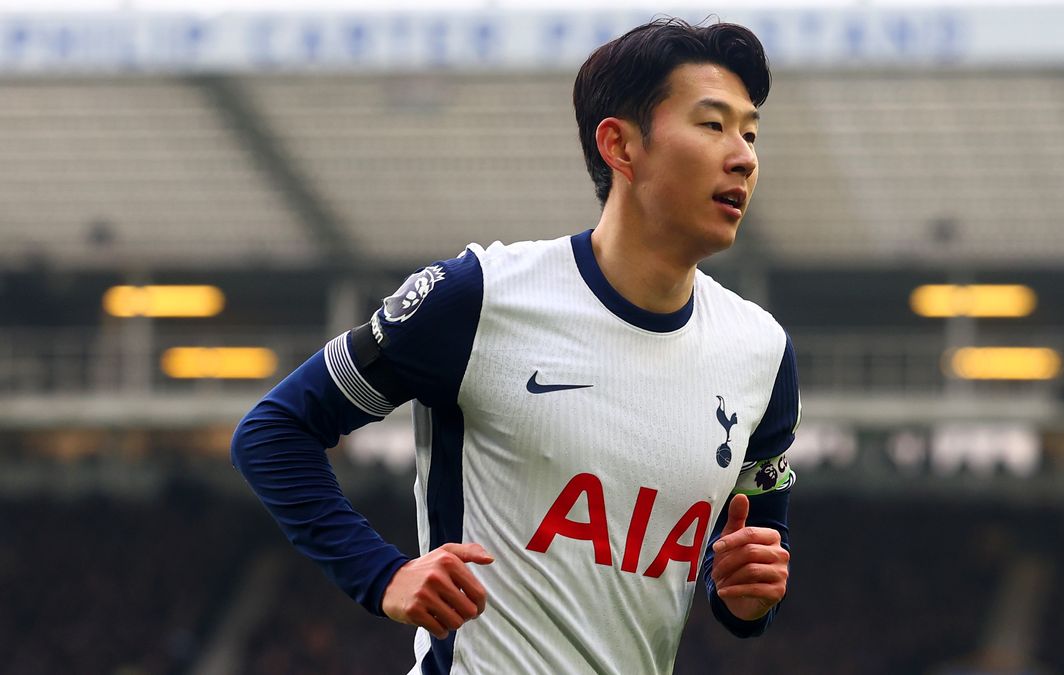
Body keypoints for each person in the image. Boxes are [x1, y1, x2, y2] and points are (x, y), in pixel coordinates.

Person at [231, 17, 799, 675]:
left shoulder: (760, 352)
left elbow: (749, 561)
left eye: (750, 133)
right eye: (713, 125)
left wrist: (746, 596)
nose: (744, 156)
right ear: (619, 145)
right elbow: (274, 430)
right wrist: (382, 574)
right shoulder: (478, 298)